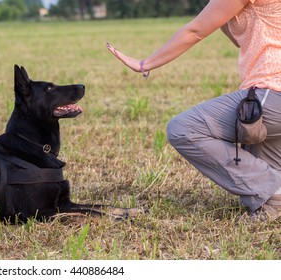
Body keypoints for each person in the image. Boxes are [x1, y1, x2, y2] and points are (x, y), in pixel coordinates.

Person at [106, 0, 281, 221]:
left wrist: (144, 64)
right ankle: (273, 198)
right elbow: (237, 37)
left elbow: (195, 31)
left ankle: (273, 188)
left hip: (272, 90)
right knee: (265, 167)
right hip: (272, 94)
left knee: (184, 128)